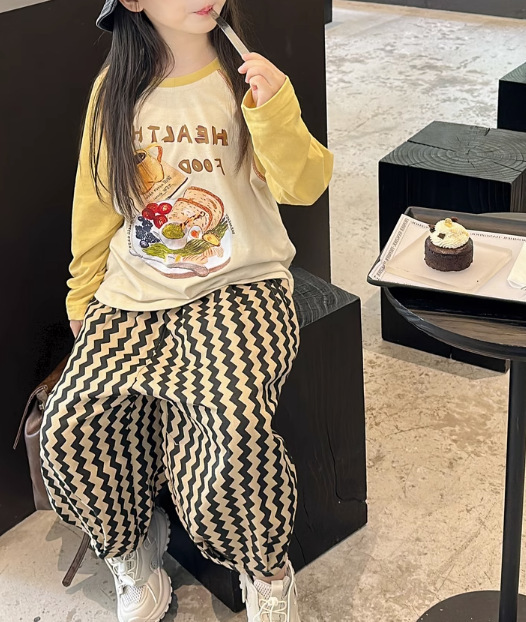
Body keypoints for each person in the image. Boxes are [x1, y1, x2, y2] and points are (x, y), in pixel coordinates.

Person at [39, 1, 333, 621]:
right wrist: (82, 290)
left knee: (235, 427)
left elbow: (304, 186)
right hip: (135, 289)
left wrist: (275, 110)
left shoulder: (243, 78)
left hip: (241, 283)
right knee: (71, 423)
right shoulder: (115, 91)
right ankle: (132, 551)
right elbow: (96, 200)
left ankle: (266, 569)